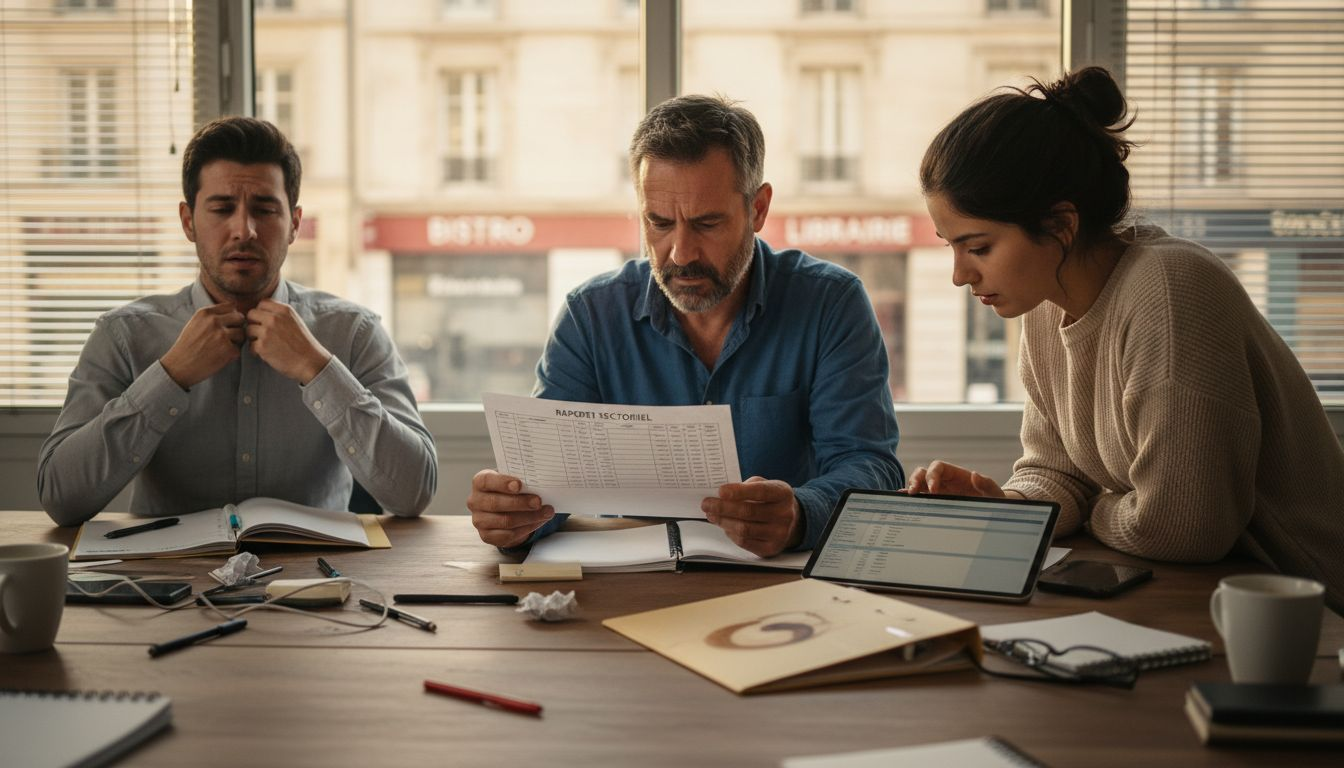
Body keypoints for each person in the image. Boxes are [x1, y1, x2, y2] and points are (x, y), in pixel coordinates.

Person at [907, 67, 1344, 611]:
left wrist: (1096, 507)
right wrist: (1005, 506)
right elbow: (1055, 471)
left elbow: (1185, 529)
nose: (959, 275)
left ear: (1060, 225)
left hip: (1310, 611)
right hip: (1218, 597)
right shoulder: (1046, 306)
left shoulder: (1170, 291)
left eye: (978, 248)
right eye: (951, 246)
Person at [469, 94, 902, 557]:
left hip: (778, 586)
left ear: (758, 209)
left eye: (707, 223)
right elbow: (551, 483)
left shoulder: (829, 304)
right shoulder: (591, 314)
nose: (680, 254)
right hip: (628, 586)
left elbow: (870, 465)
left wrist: (800, 513)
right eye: (658, 223)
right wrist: (515, 515)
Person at [38, 117, 437, 526]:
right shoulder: (123, 336)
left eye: (264, 210)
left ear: (294, 224)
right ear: (188, 221)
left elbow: (413, 493)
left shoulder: (354, 333)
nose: (243, 230)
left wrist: (319, 370)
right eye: (222, 208)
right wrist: (170, 376)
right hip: (168, 584)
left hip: (317, 581)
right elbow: (61, 498)